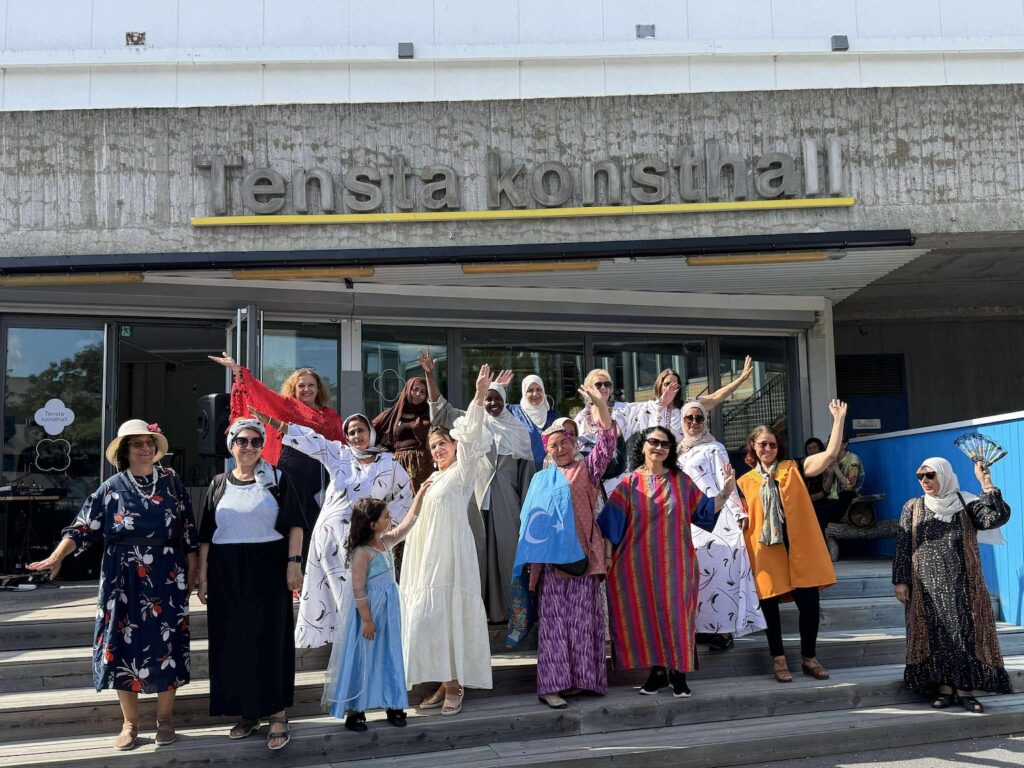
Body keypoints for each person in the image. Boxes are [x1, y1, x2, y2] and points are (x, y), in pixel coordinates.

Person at [27, 420, 198, 751]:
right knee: (121, 644)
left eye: (149, 443)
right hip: (122, 579)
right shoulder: (111, 487)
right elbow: (81, 527)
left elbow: (189, 531)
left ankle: (165, 719)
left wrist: (194, 572)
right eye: (137, 445)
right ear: (125, 451)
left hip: (166, 575)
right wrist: (56, 556)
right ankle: (130, 723)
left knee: (168, 645)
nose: (145, 449)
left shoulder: (172, 482)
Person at [249, 410, 414, 649]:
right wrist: (274, 423)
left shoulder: (389, 463)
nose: (356, 435)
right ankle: (349, 649)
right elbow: (310, 439)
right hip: (332, 537)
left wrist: (383, 531)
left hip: (366, 539)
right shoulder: (339, 454)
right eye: (351, 432)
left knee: (363, 592)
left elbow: (405, 496)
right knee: (344, 594)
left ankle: (359, 649)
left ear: (371, 432)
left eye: (361, 430)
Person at [599, 426, 732, 698]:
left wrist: (726, 491)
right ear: (643, 445)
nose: (658, 447)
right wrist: (607, 559)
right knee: (647, 616)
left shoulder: (681, 481)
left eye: (665, 444)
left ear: (670, 451)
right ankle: (658, 673)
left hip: (677, 565)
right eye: (653, 442)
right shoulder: (628, 484)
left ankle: (678, 672)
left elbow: (704, 511)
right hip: (636, 566)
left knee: (677, 617)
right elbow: (611, 526)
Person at [197, 419, 304, 750]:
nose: (249, 447)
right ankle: (247, 712)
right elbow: (205, 537)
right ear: (231, 445)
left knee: (270, 639)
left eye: (257, 441)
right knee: (233, 643)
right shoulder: (217, 483)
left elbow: (296, 524)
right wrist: (202, 576)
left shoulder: (278, 479)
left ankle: (276, 713)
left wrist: (293, 564)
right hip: (226, 572)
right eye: (242, 441)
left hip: (268, 568)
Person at [513, 380, 616, 709]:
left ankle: (582, 680)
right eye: (553, 445)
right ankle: (552, 686)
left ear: (573, 444)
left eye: (564, 443)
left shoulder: (586, 470)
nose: (559, 449)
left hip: (583, 560)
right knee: (555, 627)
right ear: (546, 448)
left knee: (584, 622)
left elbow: (608, 443)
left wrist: (600, 405)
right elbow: (529, 522)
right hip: (552, 566)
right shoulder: (540, 478)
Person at [401, 364, 496, 717]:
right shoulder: (431, 480)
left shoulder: (463, 469)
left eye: (443, 444)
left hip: (452, 555)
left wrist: (479, 395)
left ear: (455, 446)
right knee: (429, 615)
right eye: (433, 445)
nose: (438, 449)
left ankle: (456, 683)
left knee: (450, 612)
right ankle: (443, 678)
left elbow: (473, 435)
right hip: (426, 557)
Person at [736, 401, 846, 684]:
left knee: (810, 606)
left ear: (778, 446)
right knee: (770, 608)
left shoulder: (793, 468)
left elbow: (831, 454)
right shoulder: (745, 482)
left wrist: (838, 419)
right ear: (753, 446)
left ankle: (809, 658)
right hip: (767, 552)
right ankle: (779, 659)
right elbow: (739, 517)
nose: (768, 449)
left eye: (772, 444)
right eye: (762, 444)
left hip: (800, 550)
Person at [893, 456, 1012, 713]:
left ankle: (965, 690)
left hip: (963, 586)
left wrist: (986, 482)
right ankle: (944, 688)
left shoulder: (965, 503)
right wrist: (901, 581)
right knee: (933, 636)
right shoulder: (912, 507)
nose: (924, 481)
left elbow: (996, 518)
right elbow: (903, 546)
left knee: (964, 636)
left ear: (944, 475)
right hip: (925, 587)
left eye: (930, 475)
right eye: (920, 476)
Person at [422, 354, 535, 623]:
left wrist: (527, 514)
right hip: (473, 501)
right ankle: (476, 615)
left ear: (505, 402)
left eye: (497, 399)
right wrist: (429, 375)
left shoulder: (518, 431)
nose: (493, 403)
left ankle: (509, 615)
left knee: (506, 558)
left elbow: (527, 477)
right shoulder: (472, 421)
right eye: (488, 398)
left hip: (508, 506)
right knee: (475, 557)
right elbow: (441, 410)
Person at [324, 491, 428, 732]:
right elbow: (358, 588)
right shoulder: (362, 552)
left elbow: (408, 524)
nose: (390, 519)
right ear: (372, 524)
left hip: (389, 612)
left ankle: (394, 703)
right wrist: (367, 620)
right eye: (385, 516)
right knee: (365, 656)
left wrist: (420, 493)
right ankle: (356, 710)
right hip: (369, 613)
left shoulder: (386, 542)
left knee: (390, 653)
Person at [211, 353, 343, 534]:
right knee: (294, 526)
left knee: (322, 528)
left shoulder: (331, 415)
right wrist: (238, 371)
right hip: (294, 473)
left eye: (311, 385)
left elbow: (343, 446)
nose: (306, 389)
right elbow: (261, 393)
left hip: (323, 476)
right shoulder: (287, 406)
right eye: (301, 385)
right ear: (293, 389)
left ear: (318, 389)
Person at [677, 400, 765, 652]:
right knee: (697, 576)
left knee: (718, 576)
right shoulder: (676, 450)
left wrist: (738, 512)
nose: (694, 422)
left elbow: (727, 481)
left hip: (714, 516)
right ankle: (702, 629)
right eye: (689, 418)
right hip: (688, 518)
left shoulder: (714, 447)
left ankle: (723, 631)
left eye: (699, 418)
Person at [614, 358, 755, 443]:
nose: (671, 388)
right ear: (659, 385)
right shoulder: (647, 407)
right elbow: (621, 412)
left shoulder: (688, 407)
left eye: (675, 385)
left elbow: (716, 396)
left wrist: (741, 379)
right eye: (667, 384)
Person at [372, 374, 433, 491]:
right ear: (408, 389)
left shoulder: (429, 413)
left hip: (424, 465)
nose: (418, 394)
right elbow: (369, 430)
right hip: (398, 465)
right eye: (415, 389)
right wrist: (385, 451)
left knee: (425, 503)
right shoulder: (393, 414)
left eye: (423, 392)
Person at [506, 374, 560, 469]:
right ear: (524, 392)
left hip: (550, 471)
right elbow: (492, 413)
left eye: (539, 389)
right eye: (530, 390)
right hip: (523, 471)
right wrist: (497, 387)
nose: (535, 394)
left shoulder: (553, 415)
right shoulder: (513, 412)